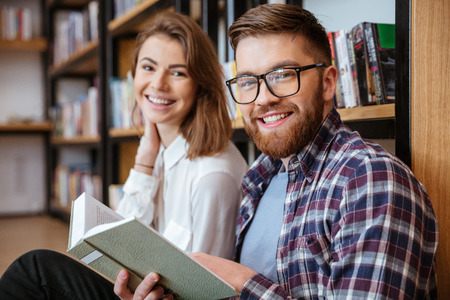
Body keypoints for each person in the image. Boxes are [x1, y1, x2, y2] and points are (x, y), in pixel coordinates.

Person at [115, 3, 438, 299]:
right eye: (247, 81)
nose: (262, 98)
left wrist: (244, 282)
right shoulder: (260, 178)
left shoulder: (370, 179)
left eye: (283, 75)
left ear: (328, 83)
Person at [0, 10, 247, 300]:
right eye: (148, 67)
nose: (158, 84)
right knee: (35, 269)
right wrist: (144, 164)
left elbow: (206, 292)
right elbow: (123, 245)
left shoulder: (213, 176)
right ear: (133, 75)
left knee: (34, 271)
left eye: (178, 72)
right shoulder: (159, 149)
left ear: (201, 84)